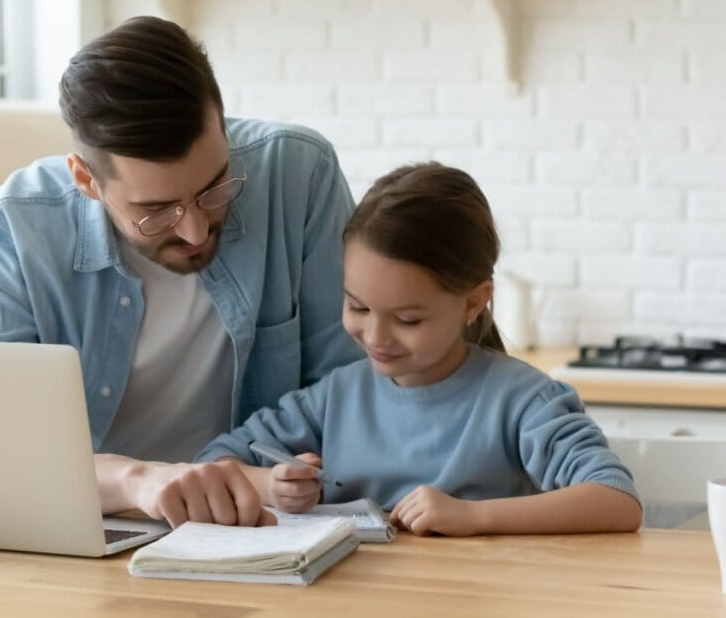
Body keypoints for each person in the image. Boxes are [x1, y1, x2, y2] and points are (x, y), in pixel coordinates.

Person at [0, 16, 363, 528]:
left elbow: (353, 390)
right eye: (157, 209)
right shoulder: (8, 234)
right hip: (90, 532)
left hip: (263, 529)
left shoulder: (298, 176)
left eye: (214, 187)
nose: (195, 232)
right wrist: (138, 481)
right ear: (86, 180)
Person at [196, 162, 643, 536]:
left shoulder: (524, 400)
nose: (375, 337)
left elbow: (616, 500)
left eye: (408, 320)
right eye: (358, 306)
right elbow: (211, 461)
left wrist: (473, 515)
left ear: (473, 302)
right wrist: (271, 485)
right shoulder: (334, 397)